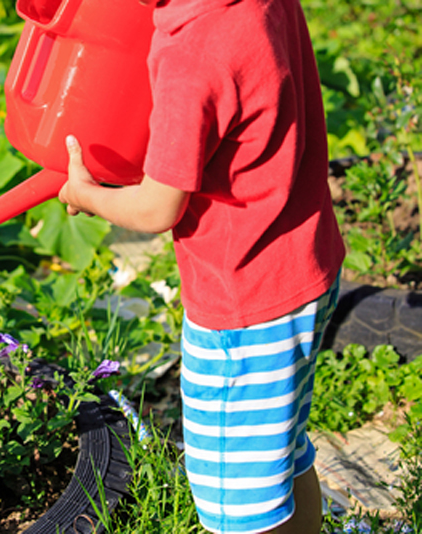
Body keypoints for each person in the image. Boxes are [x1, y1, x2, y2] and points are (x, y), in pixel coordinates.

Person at [57, 0, 346, 533]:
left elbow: (155, 207)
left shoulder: (191, 54)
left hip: (243, 313)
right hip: (305, 269)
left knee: (237, 507)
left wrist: (86, 193)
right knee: (280, 449)